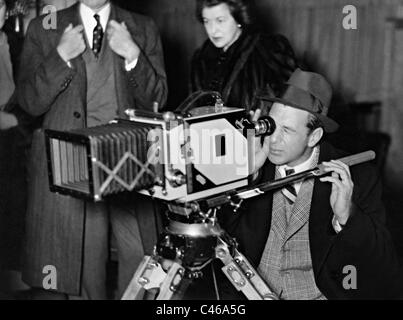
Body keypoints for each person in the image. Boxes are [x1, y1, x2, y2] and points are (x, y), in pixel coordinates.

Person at [18, 0, 167, 299]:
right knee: (85, 265)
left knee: (141, 257)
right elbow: (28, 101)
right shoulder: (44, 29)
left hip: (130, 161)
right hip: (74, 167)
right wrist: (59, 56)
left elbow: (159, 100)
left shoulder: (142, 27)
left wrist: (134, 56)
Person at [217, 69, 403, 299]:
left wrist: (347, 217)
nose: (273, 139)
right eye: (272, 125)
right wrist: (245, 177)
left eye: (287, 130)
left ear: (314, 136)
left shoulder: (357, 177)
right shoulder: (254, 165)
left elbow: (382, 267)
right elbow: (216, 242)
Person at [190, 0, 297, 111]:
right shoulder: (200, 58)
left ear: (238, 18)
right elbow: (194, 109)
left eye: (220, 20)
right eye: (206, 21)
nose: (212, 30)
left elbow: (293, 102)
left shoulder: (268, 48)